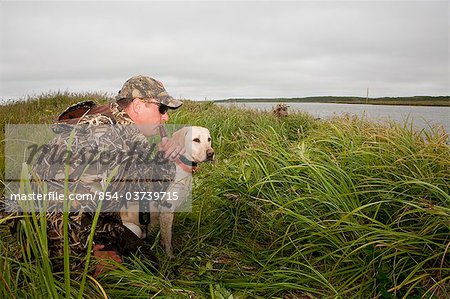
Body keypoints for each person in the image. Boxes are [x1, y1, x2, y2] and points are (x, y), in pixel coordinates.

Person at [28, 75, 184, 273]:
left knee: (147, 262)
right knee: (134, 273)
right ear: (138, 105)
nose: (166, 116)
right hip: (53, 238)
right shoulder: (99, 138)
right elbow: (54, 213)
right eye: (161, 108)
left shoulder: (129, 135)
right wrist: (87, 261)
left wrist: (164, 160)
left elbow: (148, 188)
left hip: (97, 222)